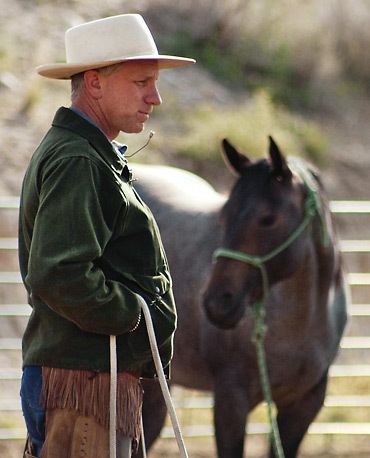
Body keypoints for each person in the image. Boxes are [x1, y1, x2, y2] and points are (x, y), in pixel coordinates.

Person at [18, 13, 195, 458]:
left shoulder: (87, 154)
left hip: (94, 376)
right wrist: (132, 315)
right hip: (86, 382)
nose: (155, 98)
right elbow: (60, 273)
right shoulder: (79, 160)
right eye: (141, 83)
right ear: (94, 83)